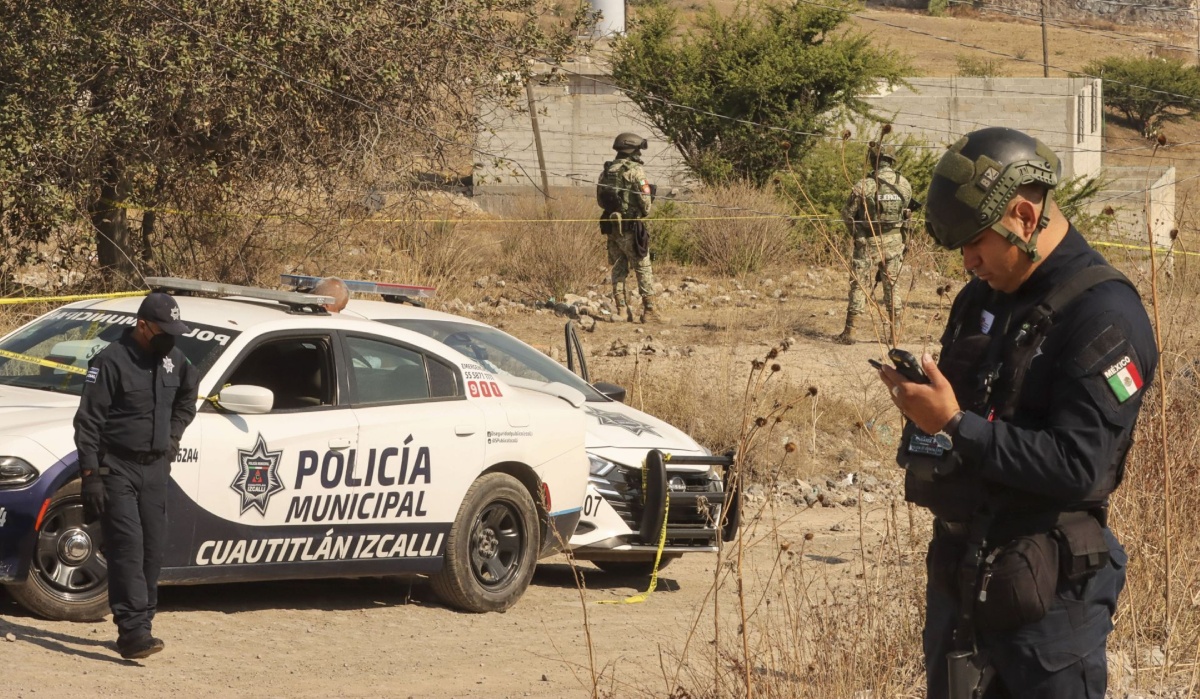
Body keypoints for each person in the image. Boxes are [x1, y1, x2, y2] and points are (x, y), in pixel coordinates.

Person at [878, 127, 1158, 698]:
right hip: (961, 578)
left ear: (1024, 217)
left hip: (1047, 604)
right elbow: (970, 415)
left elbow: (1080, 465)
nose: (968, 261)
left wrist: (955, 424)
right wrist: (926, 415)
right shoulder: (980, 299)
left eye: (977, 241)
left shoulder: (1104, 316)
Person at [74, 292, 200, 660]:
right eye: (164, 330)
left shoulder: (175, 360)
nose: (170, 337)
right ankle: (132, 632)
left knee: (152, 550)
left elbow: (187, 400)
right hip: (118, 467)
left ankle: (143, 622)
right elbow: (88, 423)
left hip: (156, 468)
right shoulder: (111, 361)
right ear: (143, 326)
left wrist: (172, 439)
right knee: (127, 546)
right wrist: (90, 474)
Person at [834, 142, 914, 345]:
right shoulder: (904, 184)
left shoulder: (864, 185)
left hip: (868, 242)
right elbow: (906, 213)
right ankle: (894, 335)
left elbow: (847, 214)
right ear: (892, 160)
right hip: (895, 242)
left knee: (858, 284)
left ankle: (849, 332)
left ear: (873, 160)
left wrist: (857, 234)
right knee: (892, 285)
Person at [597, 132, 662, 324]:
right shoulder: (635, 172)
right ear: (632, 150)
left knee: (618, 269)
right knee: (643, 267)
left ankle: (622, 310)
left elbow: (600, 201)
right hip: (631, 228)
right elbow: (646, 206)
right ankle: (649, 310)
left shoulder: (607, 171)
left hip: (612, 227)